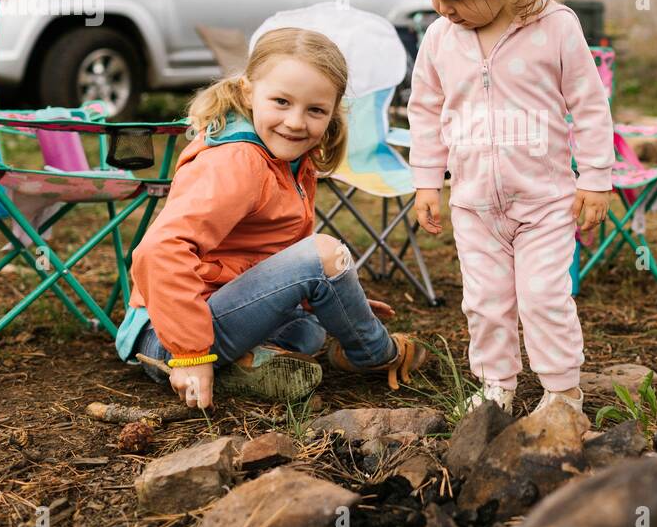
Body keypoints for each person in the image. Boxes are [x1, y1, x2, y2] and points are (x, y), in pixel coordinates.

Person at [403, 0, 614, 416]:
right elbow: (425, 111)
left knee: (544, 296)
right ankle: (495, 387)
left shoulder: (555, 27)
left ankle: (561, 391)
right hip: (474, 203)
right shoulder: (441, 39)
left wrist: (595, 178)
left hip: (544, 200)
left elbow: (589, 106)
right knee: (486, 302)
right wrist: (428, 181)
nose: (443, 8)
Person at [113, 27, 428, 408]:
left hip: (210, 316)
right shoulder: (239, 161)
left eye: (315, 110)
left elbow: (266, 253)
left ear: (332, 113)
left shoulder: (287, 158)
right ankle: (375, 353)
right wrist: (190, 356)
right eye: (281, 101)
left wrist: (339, 300)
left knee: (309, 331)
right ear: (248, 91)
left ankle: (245, 368)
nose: (296, 122)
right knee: (323, 253)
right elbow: (159, 251)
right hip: (166, 340)